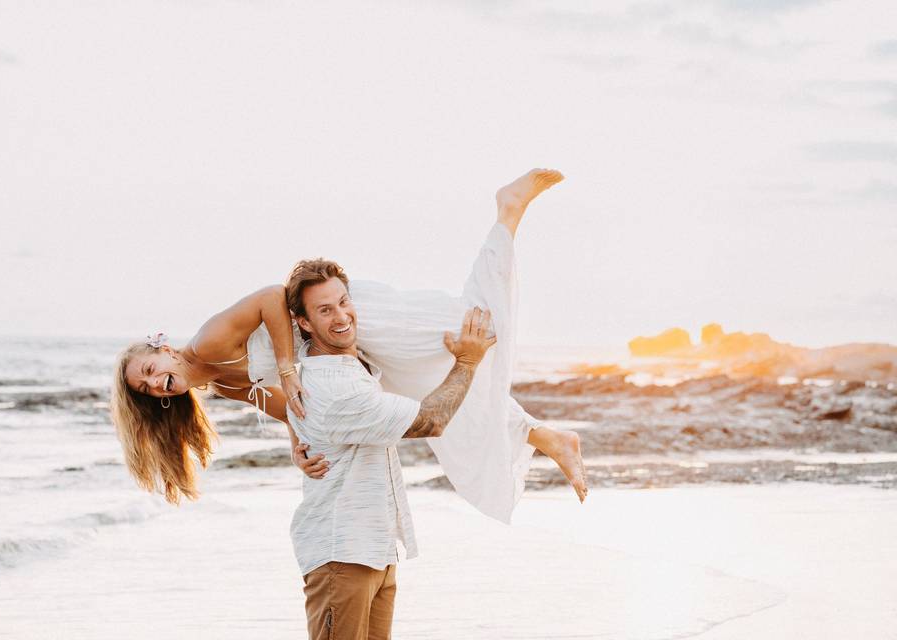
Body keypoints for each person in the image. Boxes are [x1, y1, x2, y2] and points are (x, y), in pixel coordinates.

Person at [110, 168, 587, 516]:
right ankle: (547, 436)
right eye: (148, 390)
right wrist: (298, 445)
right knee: (436, 381)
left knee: (473, 327)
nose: (156, 383)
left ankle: (508, 209)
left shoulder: (207, 344)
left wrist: (289, 366)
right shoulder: (220, 385)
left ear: (163, 349)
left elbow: (271, 298)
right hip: (340, 353)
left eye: (149, 370)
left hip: (339, 319)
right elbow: (291, 407)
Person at [286, 258, 495, 638]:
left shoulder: (352, 365)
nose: (341, 316)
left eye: (344, 302)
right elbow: (431, 420)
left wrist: (294, 437)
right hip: (341, 551)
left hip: (373, 548)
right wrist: (467, 360)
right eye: (324, 310)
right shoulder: (333, 388)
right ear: (303, 323)